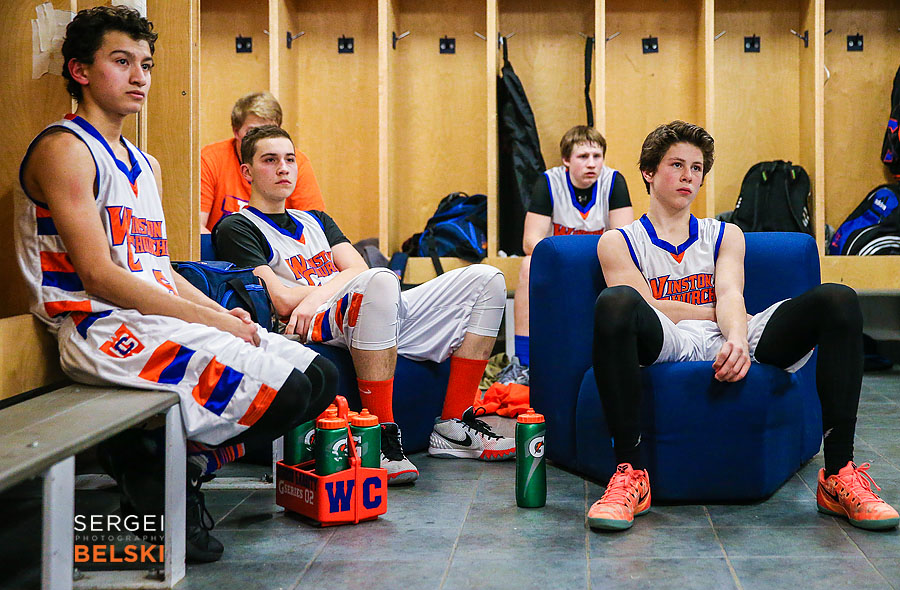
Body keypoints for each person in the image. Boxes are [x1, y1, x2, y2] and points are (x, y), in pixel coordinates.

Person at [15, 6, 337, 563]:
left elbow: (159, 272)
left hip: (155, 317)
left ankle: (171, 464)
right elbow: (99, 276)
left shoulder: (146, 163)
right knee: (284, 390)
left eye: (146, 63)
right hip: (99, 327)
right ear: (81, 70)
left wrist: (223, 311)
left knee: (319, 376)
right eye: (122, 61)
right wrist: (211, 318)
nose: (140, 76)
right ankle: (153, 468)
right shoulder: (64, 149)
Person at [587, 120, 899, 532]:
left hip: (735, 329)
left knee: (837, 299)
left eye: (697, 168)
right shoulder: (618, 241)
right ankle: (630, 472)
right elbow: (646, 306)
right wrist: (715, 313)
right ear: (648, 171)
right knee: (614, 303)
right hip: (668, 339)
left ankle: (838, 473)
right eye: (677, 165)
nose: (688, 176)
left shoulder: (725, 233)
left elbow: (732, 293)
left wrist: (736, 336)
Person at [213, 125, 516, 485]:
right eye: (270, 160)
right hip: (313, 324)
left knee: (486, 280)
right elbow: (278, 297)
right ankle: (381, 439)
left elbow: (359, 268)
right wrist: (329, 292)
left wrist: (314, 294)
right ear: (247, 172)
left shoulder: (316, 220)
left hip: (357, 305)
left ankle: (453, 425)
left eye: (290, 159)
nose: (283, 168)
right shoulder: (236, 226)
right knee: (381, 281)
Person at [510, 126, 634, 379]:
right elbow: (530, 240)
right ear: (566, 160)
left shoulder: (614, 181)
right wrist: (567, 258)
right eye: (583, 157)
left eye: (597, 156)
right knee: (527, 265)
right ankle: (523, 364)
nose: (592, 164)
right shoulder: (549, 181)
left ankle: (627, 356)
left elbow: (623, 238)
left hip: (601, 263)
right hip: (560, 264)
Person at [200, 91, 325, 233]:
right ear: (236, 132)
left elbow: (315, 228)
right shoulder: (210, 159)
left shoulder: (296, 162)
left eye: (269, 131)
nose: (261, 139)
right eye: (252, 131)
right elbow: (194, 228)